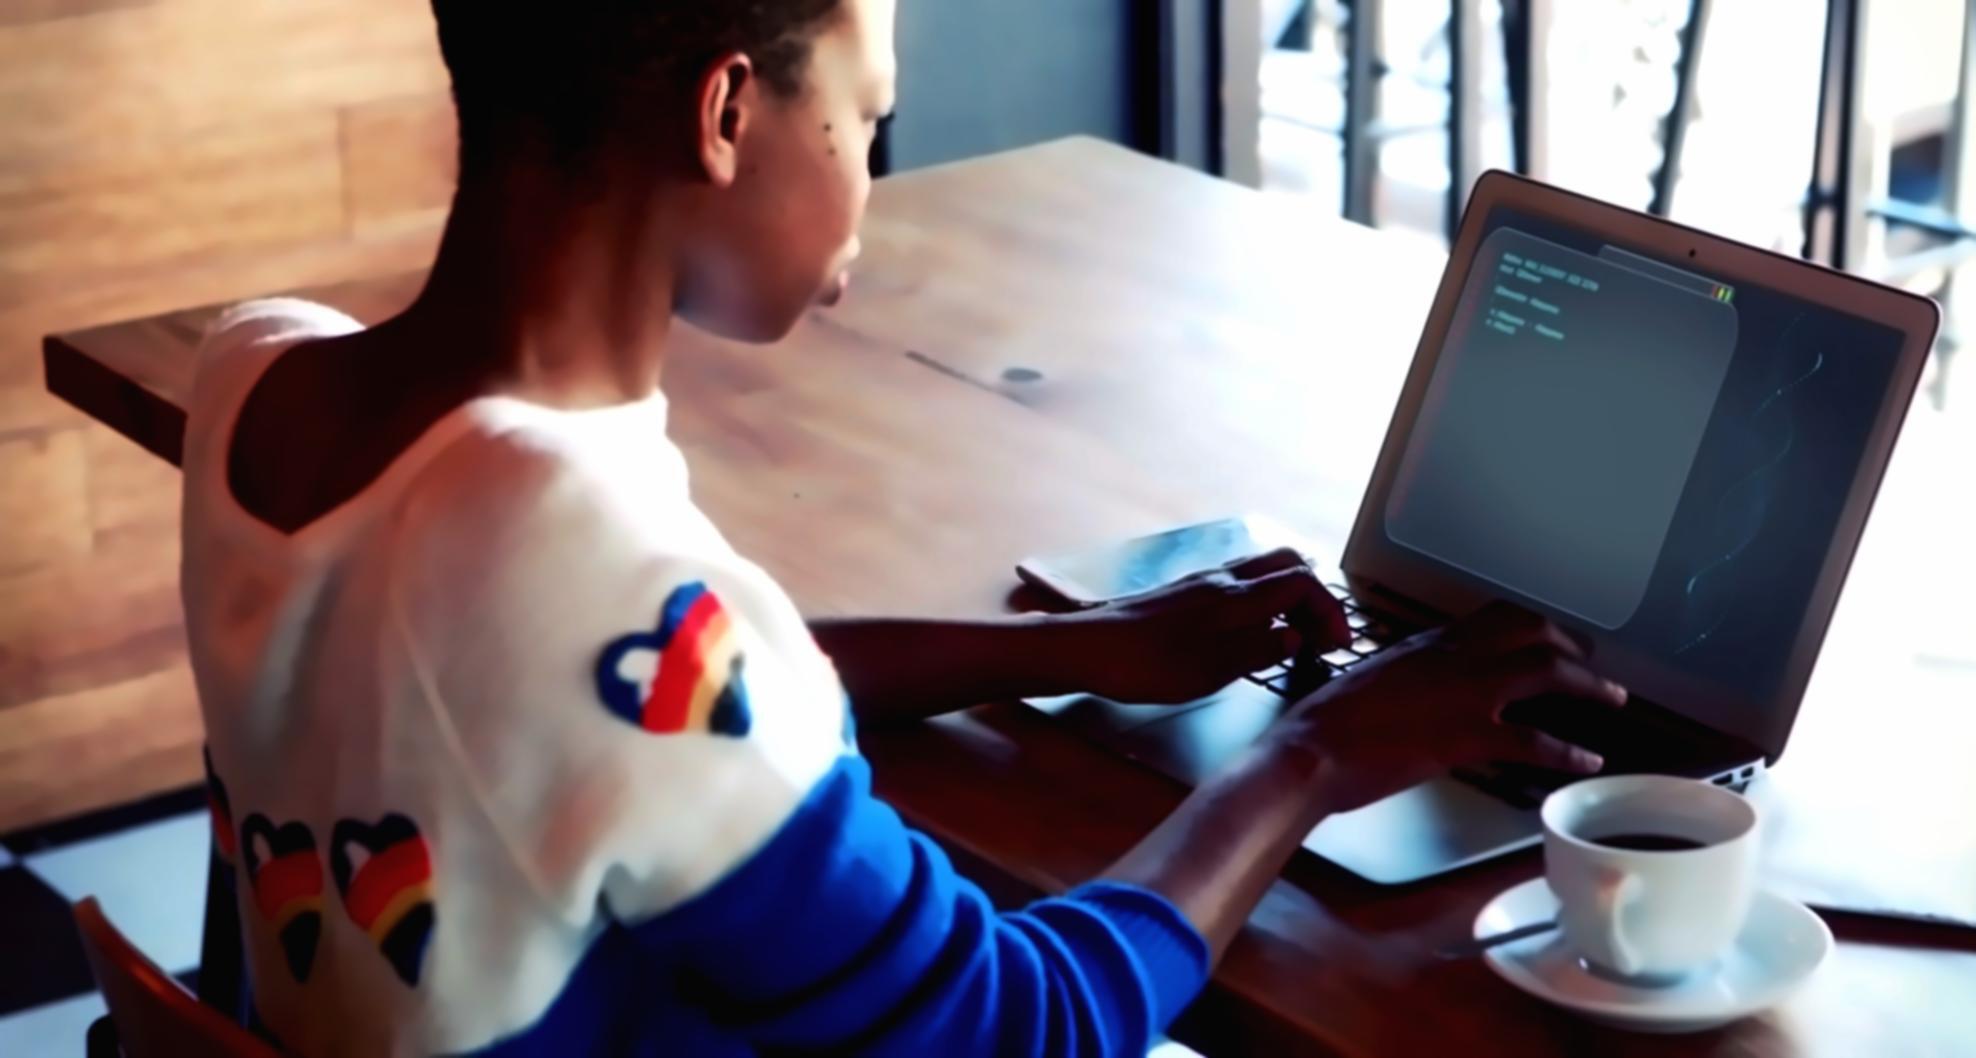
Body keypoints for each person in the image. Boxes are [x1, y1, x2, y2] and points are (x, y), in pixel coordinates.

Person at [183, 1, 1623, 1054]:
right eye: (866, 120)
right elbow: (1021, 1027)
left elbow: (632, 698)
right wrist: (1313, 754)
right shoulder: (570, 555)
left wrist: (1071, 648)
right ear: (725, 114)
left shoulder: (257, 379)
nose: (870, 173)